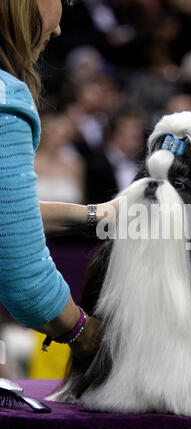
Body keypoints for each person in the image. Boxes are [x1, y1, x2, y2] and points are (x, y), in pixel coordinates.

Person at [0, 0, 117, 364]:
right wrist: (85, 332)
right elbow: (26, 277)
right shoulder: (5, 97)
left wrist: (92, 215)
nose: (59, 28)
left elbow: (8, 215)